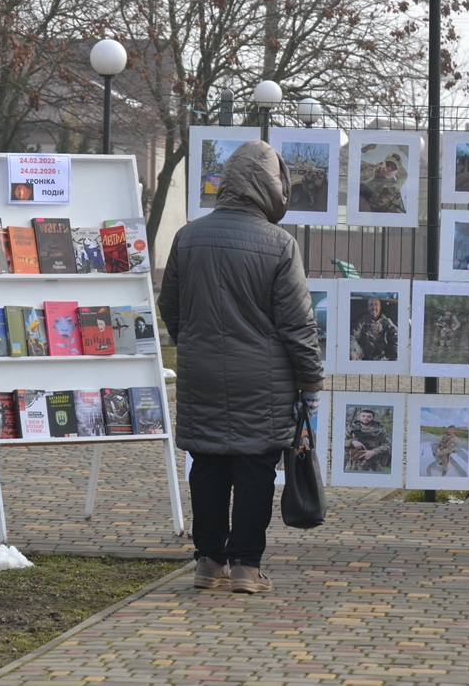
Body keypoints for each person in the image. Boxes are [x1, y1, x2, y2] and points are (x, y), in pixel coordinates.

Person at [159, 139, 324, 595]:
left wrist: (196, 341)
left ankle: (208, 563)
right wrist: (310, 381)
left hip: (203, 375)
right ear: (273, 187)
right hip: (264, 382)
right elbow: (298, 325)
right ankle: (247, 568)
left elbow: (169, 307)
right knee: (255, 471)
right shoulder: (279, 245)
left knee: (208, 466)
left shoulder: (187, 237)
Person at [349, 296, 399, 361]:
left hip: (383, 357)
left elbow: (396, 335)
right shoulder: (363, 322)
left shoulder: (386, 322)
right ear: (368, 308)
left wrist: (397, 352)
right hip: (365, 355)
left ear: (380, 308)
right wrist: (352, 351)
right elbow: (354, 336)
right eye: (371, 305)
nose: (373, 307)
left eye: (376, 305)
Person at [345, 408, 392, 473]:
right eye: (363, 416)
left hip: (374, 463)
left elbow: (389, 444)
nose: (366, 418)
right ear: (358, 417)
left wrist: (374, 451)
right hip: (354, 463)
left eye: (369, 416)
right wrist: (352, 441)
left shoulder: (380, 430)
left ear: (373, 418)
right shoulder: (350, 429)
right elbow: (339, 442)